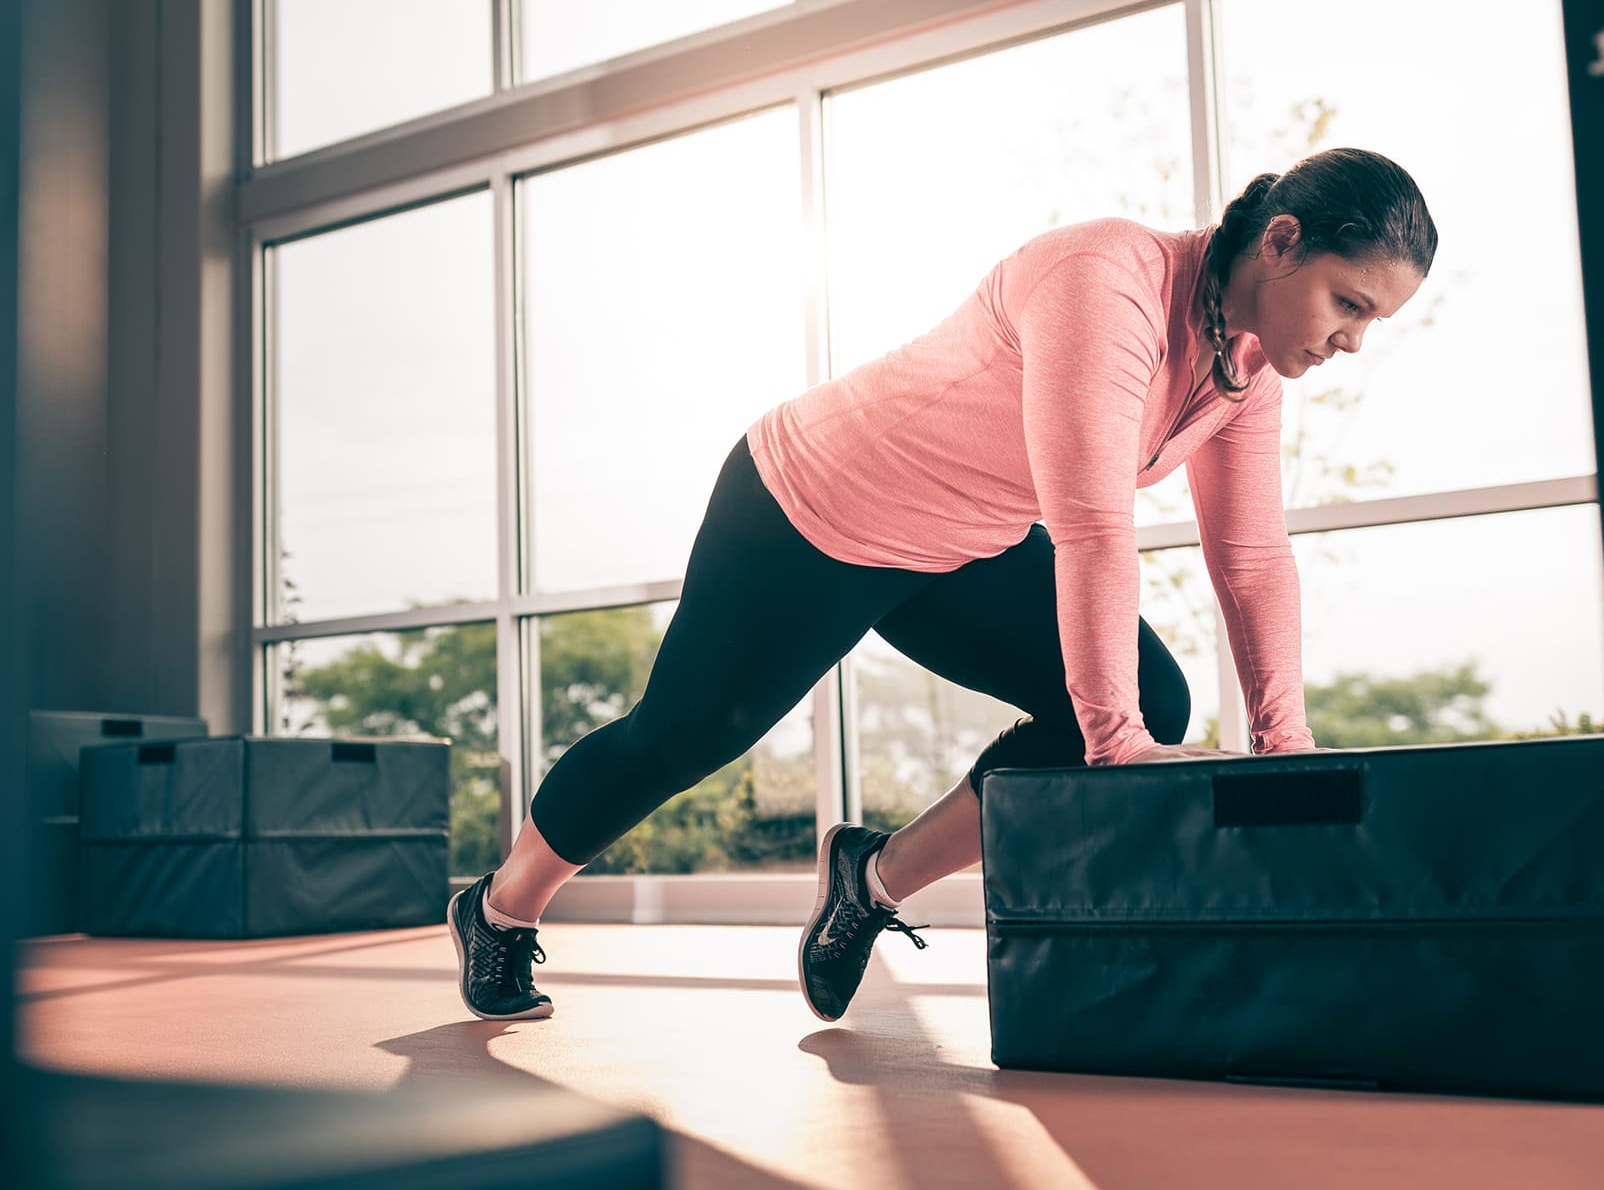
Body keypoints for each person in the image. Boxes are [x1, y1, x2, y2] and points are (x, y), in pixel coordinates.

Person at [446, 147, 1438, 1025]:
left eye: (1374, 320)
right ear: (1281, 240)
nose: (1352, 340)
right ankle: (499, 905)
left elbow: (1252, 555)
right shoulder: (1107, 279)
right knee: (681, 737)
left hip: (960, 540)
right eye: (1348, 303)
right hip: (811, 502)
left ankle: (868, 881)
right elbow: (1093, 522)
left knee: (1152, 700)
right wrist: (1114, 745)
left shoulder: (1245, 370)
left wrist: (1286, 744)